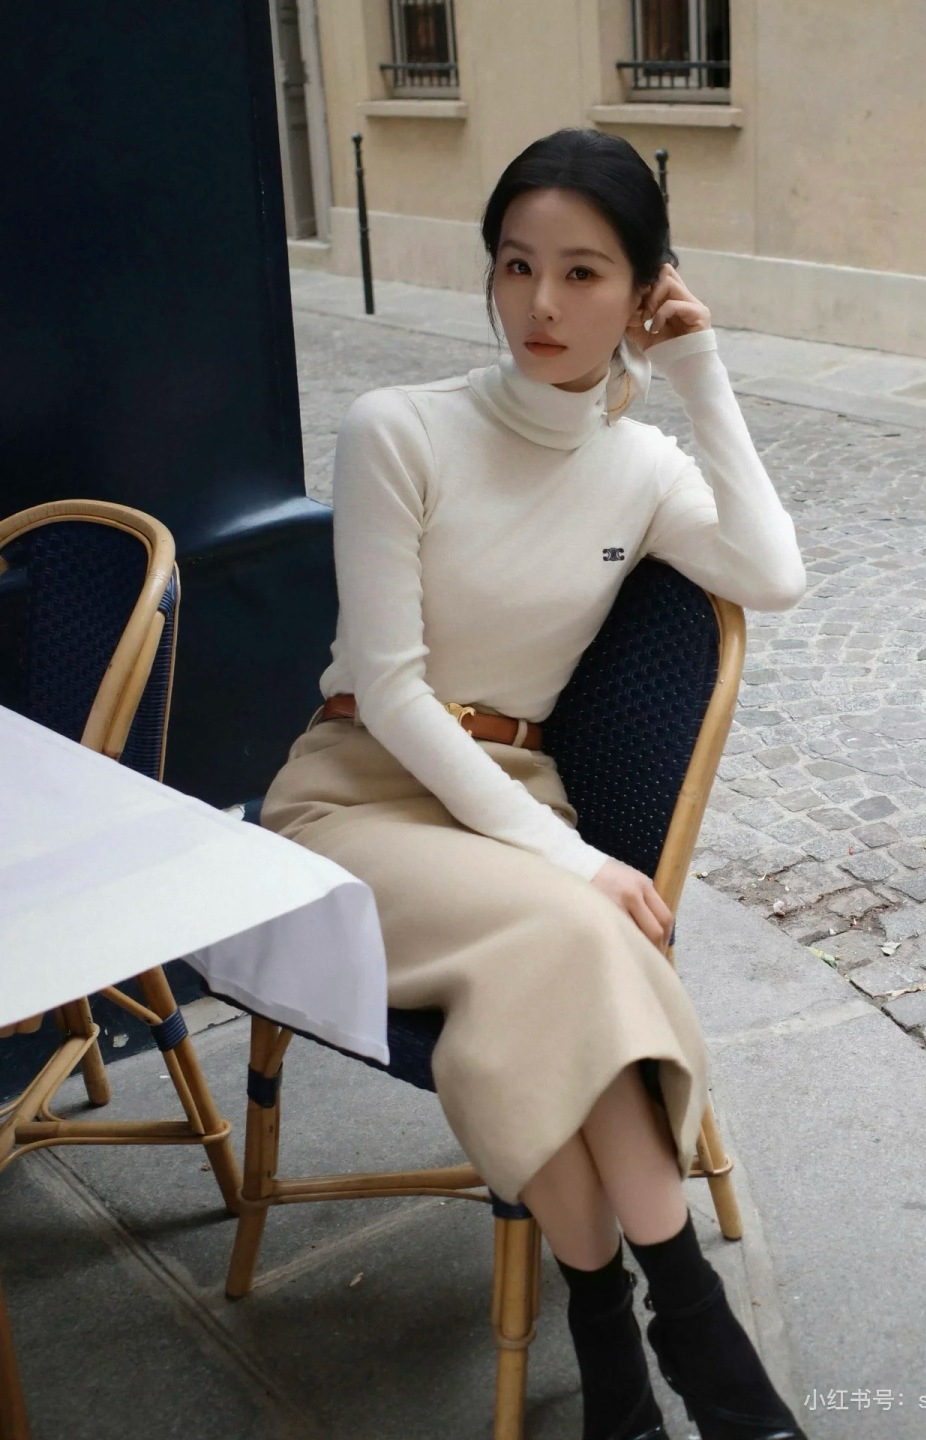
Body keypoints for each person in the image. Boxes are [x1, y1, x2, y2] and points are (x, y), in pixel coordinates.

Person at [261, 128, 808, 1440]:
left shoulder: (640, 471)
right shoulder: (398, 429)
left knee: (559, 961)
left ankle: (615, 1349)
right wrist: (572, 861)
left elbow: (772, 574)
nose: (542, 305)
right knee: (578, 929)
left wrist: (701, 370)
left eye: (582, 272)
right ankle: (701, 1340)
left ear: (643, 291)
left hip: (510, 808)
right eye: (517, 266)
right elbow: (394, 691)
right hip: (358, 797)